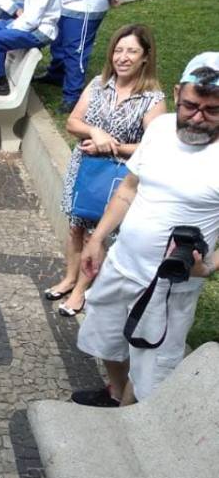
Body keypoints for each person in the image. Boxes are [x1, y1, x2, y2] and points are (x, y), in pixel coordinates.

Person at [71, 53, 219, 407]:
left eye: (212, 111)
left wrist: (209, 267)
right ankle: (115, 391)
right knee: (105, 338)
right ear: (177, 93)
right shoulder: (160, 128)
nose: (198, 117)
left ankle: (127, 422)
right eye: (190, 106)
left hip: (170, 286)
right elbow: (129, 188)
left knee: (150, 367)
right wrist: (97, 239)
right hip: (121, 264)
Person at [47, 24, 166, 318]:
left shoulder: (152, 98)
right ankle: (69, 278)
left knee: (96, 235)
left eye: (132, 51)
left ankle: (81, 291)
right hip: (84, 169)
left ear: (145, 57)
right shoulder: (98, 84)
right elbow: (73, 123)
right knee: (76, 227)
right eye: (118, 50)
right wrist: (94, 131)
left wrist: (113, 146)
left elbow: (155, 146)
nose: (123, 57)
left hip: (117, 176)